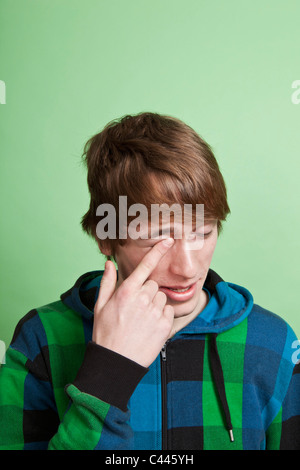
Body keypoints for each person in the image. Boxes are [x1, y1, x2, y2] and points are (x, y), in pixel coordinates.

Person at [0, 112, 299, 450]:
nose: (187, 269)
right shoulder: (41, 339)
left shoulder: (275, 343)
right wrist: (107, 374)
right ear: (106, 237)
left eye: (203, 233)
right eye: (159, 239)